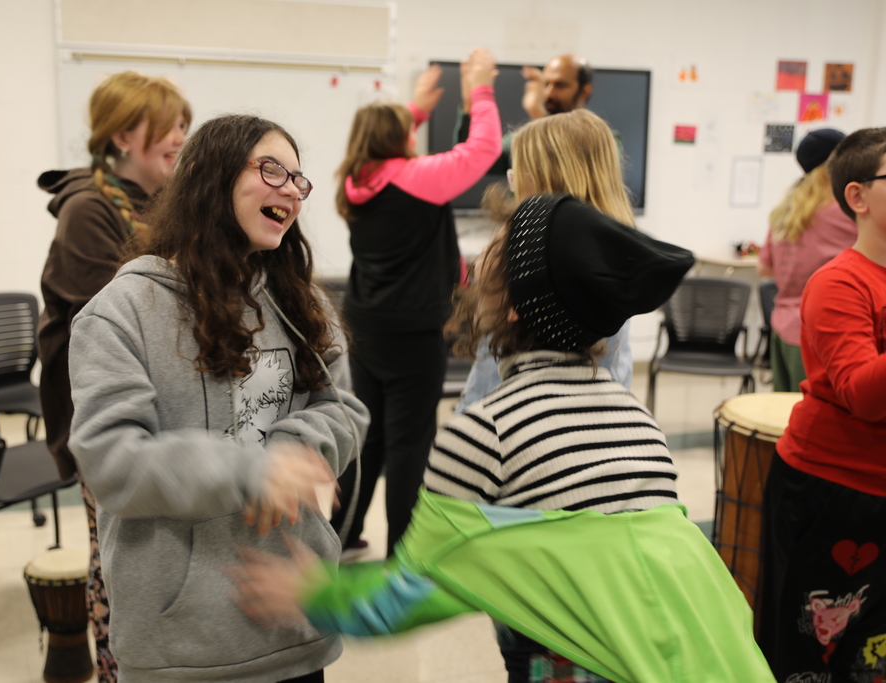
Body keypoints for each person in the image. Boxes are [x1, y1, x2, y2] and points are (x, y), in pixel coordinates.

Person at [230, 194, 778, 683]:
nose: (470, 269)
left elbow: (414, 594)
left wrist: (319, 597)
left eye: (489, 261)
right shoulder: (636, 416)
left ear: (514, 304)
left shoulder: (486, 431)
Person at [66, 114, 370, 683]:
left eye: (299, 180)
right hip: (183, 647)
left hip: (294, 626)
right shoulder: (121, 312)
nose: (291, 189)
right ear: (210, 178)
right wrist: (249, 470)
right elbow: (110, 458)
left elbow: (344, 408)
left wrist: (294, 445)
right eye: (271, 169)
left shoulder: (300, 303)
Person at [36, 70, 191, 682]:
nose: (182, 137)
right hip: (107, 420)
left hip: (158, 407)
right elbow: (125, 316)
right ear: (124, 135)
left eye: (185, 124)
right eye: (170, 126)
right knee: (120, 562)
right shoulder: (88, 210)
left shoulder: (156, 203)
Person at [328, 48, 502, 557]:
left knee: (371, 436)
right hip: (412, 335)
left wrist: (415, 111)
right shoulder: (419, 177)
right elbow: (484, 146)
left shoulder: (355, 180)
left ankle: (341, 533)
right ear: (399, 138)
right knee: (409, 443)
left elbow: (383, 138)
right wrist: (481, 90)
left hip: (365, 327)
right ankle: (404, 551)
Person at [757, 128, 886, 681]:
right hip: (831, 489)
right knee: (808, 651)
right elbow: (863, 394)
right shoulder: (839, 282)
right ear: (857, 197)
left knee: (870, 653)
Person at [456, 108, 634, 414]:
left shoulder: (526, 252)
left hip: (512, 413)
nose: (513, 189)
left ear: (544, 181)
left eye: (517, 178)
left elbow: (490, 369)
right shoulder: (616, 250)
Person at [757, 128, 857, 392]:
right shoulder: (846, 212)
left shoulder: (786, 209)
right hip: (821, 332)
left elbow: (764, 268)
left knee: (782, 416)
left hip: (783, 327)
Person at [454, 53, 593, 176]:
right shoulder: (523, 139)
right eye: (546, 84)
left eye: (560, 85)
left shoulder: (603, 139)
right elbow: (475, 160)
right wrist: (471, 104)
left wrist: (539, 117)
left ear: (585, 91)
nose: (548, 93)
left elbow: (570, 172)